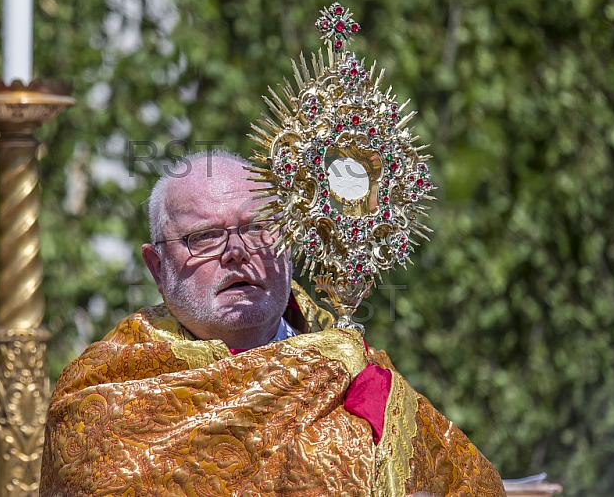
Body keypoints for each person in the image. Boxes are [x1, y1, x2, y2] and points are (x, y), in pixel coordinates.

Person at [40, 151, 506, 496]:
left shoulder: (356, 372)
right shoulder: (106, 390)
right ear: (157, 267)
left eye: (260, 226)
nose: (238, 251)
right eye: (203, 236)